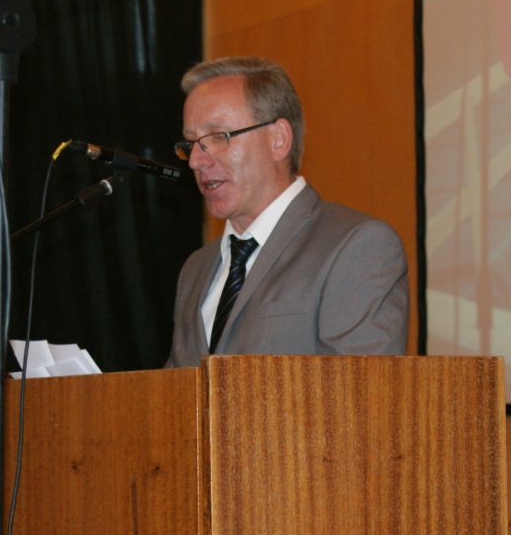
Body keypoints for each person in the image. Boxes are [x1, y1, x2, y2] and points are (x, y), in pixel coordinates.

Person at [164, 56, 409, 368]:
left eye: (218, 137)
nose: (196, 160)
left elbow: (363, 390)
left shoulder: (356, 247)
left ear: (278, 139)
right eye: (191, 143)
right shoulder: (196, 268)